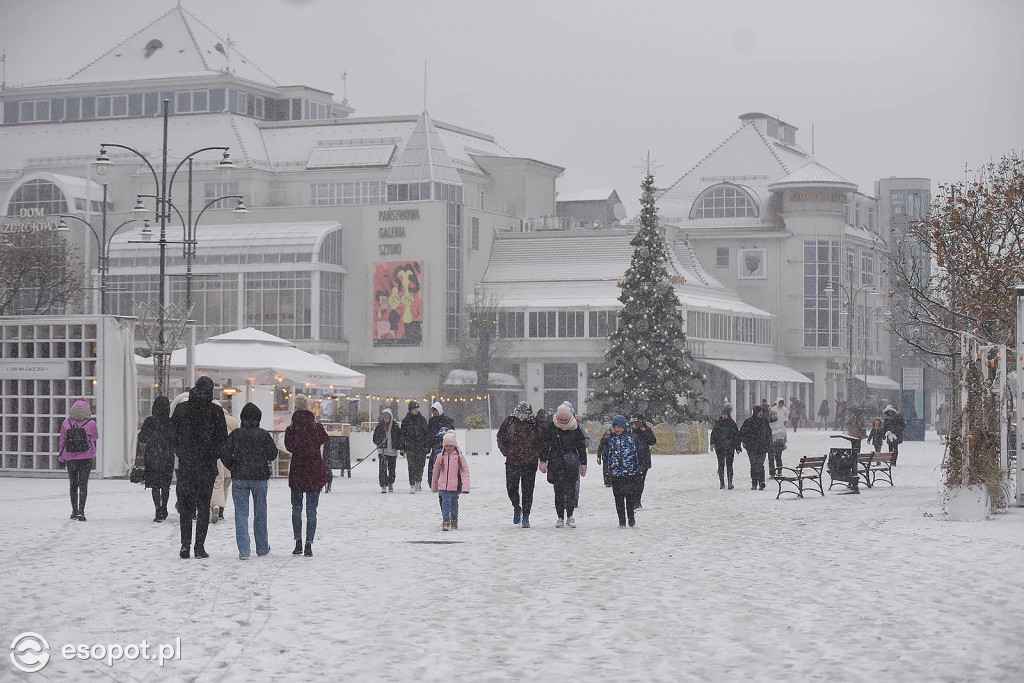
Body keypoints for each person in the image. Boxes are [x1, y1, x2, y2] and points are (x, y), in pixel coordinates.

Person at [171, 376, 228, 559]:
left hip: (187, 465)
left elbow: (173, 436)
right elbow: (222, 440)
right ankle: (199, 547)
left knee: (186, 507)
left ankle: (185, 545)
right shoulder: (215, 411)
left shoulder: (181, 409)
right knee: (204, 506)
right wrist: (213, 453)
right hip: (207, 465)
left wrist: (183, 453)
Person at [223, 403, 278, 559]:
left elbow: (224, 453)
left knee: (241, 514)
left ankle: (244, 551)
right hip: (260, 477)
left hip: (239, 476)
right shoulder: (263, 435)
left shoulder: (236, 434)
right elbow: (273, 454)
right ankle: (261, 548)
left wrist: (233, 466)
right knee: (260, 513)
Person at [285, 394, 328, 557]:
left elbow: (289, 447)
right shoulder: (316, 427)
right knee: (312, 510)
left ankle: (298, 542)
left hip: (297, 471)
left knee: (296, 508)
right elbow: (324, 439)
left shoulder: (291, 429)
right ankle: (309, 544)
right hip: (314, 471)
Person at [538, 403, 588, 528]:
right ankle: (560, 516)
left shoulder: (575, 428)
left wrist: (584, 463)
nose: (564, 422)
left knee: (571, 491)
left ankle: (570, 515)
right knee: (558, 491)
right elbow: (545, 446)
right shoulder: (552, 427)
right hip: (556, 463)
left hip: (571, 463)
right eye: (561, 420)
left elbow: (581, 447)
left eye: (566, 420)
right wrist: (542, 461)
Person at [496, 401, 539, 528]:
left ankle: (526, 515)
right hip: (512, 461)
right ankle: (516, 507)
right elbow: (500, 437)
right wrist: (506, 452)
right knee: (511, 488)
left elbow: (541, 440)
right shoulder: (510, 422)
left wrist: (537, 454)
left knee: (528, 490)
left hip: (530, 462)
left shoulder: (534, 423)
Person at [58, 397, 99, 521]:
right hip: (86, 458)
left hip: (71, 458)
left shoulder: (67, 423)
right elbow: (95, 436)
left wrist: (60, 457)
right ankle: (81, 511)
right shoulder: (91, 423)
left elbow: (62, 441)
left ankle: (74, 511)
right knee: (83, 484)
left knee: (73, 484)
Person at [600, 415, 643, 527]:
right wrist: (606, 472)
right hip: (615, 474)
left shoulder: (632, 438)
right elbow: (606, 457)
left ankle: (631, 518)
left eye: (619, 427)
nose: (616, 429)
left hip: (630, 473)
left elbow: (639, 455)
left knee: (630, 497)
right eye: (614, 427)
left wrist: (640, 470)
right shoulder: (610, 440)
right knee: (618, 498)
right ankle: (621, 520)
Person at [137, 396, 174, 522]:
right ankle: (164, 507)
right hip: (167, 456)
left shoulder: (149, 421)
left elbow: (141, 437)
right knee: (165, 484)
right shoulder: (170, 422)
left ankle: (158, 508)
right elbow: (175, 438)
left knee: (155, 485)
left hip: (152, 456)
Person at [431, 430, 470, 531]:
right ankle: (446, 521)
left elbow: (465, 472)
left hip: (455, 486)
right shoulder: (440, 457)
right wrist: (434, 486)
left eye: (450, 445)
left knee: (454, 504)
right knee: (445, 504)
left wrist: (465, 486)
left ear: (455, 446)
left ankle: (454, 520)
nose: (448, 448)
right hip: (443, 486)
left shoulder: (459, 457)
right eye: (446, 445)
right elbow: (435, 472)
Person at [209, 405, 239, 525]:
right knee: (226, 485)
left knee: (216, 484)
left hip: (216, 457)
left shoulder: (211, 420)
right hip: (228, 458)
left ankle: (214, 505)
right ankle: (221, 509)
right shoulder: (233, 422)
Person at [739, 405, 772, 490]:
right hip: (752, 448)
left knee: (760, 464)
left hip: (762, 447)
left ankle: (761, 481)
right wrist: (746, 443)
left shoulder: (765, 421)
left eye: (762, 412)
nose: (761, 414)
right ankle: (754, 482)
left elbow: (769, 433)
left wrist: (769, 444)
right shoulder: (748, 422)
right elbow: (742, 434)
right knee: (754, 465)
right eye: (759, 412)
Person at [628, 414, 656, 510]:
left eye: (637, 422)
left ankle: (637, 501)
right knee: (631, 481)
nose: (635, 424)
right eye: (634, 422)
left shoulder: (645, 430)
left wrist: (645, 431)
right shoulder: (629, 431)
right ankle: (632, 500)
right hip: (631, 459)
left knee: (640, 481)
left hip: (643, 460)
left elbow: (652, 441)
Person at [401, 401, 430, 493]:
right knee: (411, 466)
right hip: (410, 447)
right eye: (414, 409)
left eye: (417, 408)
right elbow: (402, 435)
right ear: (410, 410)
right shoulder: (406, 421)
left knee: (420, 465)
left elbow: (426, 434)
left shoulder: (422, 420)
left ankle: (418, 480)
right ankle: (412, 483)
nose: (416, 410)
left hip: (421, 446)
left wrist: (427, 446)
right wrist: (402, 447)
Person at [709, 405, 740, 489]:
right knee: (721, 464)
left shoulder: (732, 424)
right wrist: (712, 444)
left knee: (729, 465)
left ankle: (730, 482)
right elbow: (713, 434)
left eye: (725, 414)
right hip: (720, 447)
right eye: (723, 414)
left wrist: (737, 447)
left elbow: (736, 436)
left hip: (730, 447)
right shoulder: (718, 423)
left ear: (728, 415)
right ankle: (722, 483)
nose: (724, 416)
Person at [373, 408, 403, 493]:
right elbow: (375, 438)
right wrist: (380, 442)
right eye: (385, 418)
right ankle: (383, 485)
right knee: (382, 469)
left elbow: (399, 437)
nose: (386, 420)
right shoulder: (379, 427)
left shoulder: (395, 426)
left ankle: (390, 482)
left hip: (392, 451)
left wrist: (400, 447)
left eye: (388, 418)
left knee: (392, 469)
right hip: (382, 451)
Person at [768, 408, 787, 478]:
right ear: (770, 415)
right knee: (771, 458)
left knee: (778, 457)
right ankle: (772, 472)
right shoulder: (768, 423)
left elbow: (783, 431)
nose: (775, 416)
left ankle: (779, 471)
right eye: (773, 414)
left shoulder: (780, 422)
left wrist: (784, 440)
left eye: (775, 414)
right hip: (770, 443)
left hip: (779, 442)